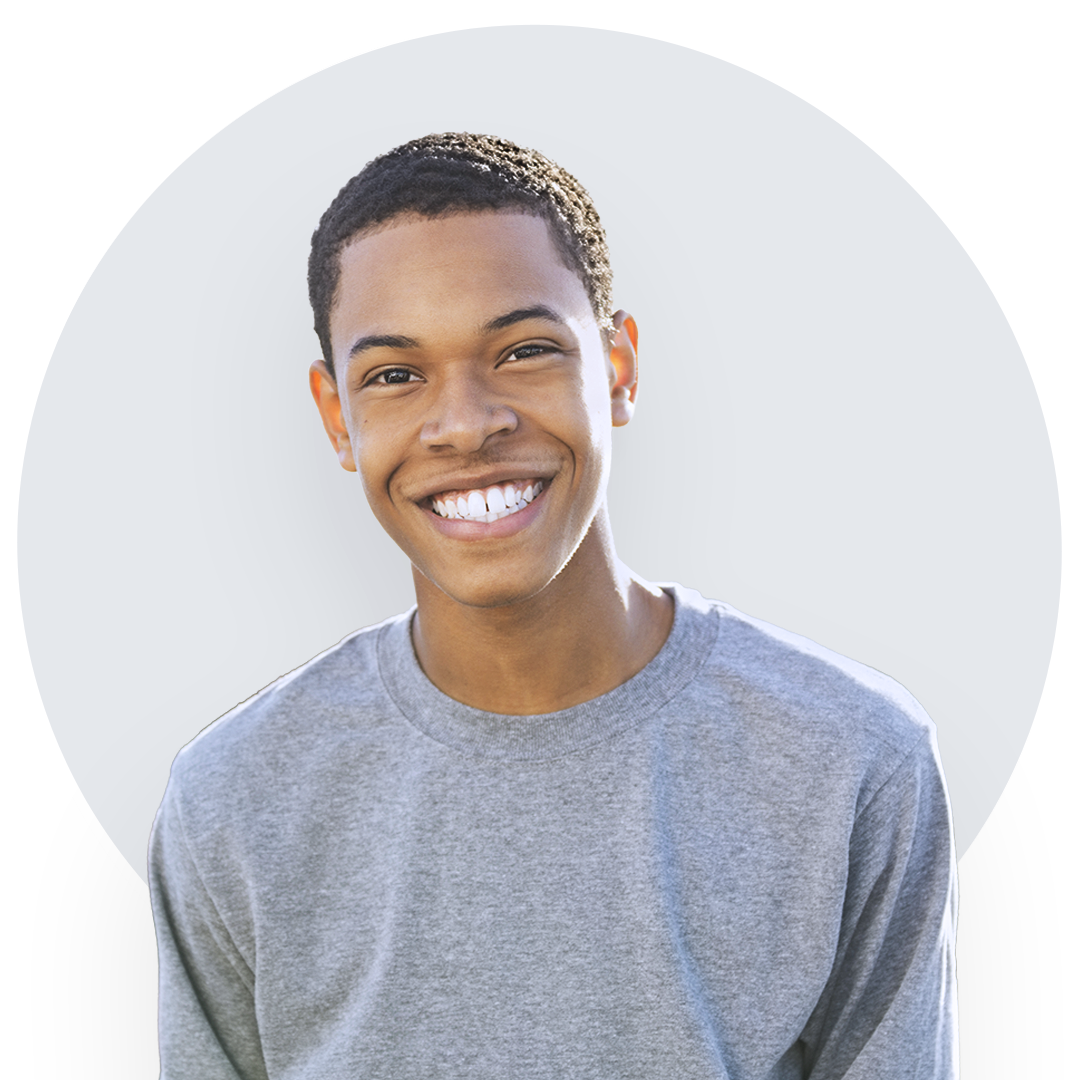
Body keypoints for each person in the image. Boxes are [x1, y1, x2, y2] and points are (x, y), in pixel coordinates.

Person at [149, 131, 960, 1079]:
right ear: (337, 417)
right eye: (395, 375)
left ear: (617, 369)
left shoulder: (853, 754)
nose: (465, 424)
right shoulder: (232, 797)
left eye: (526, 349)